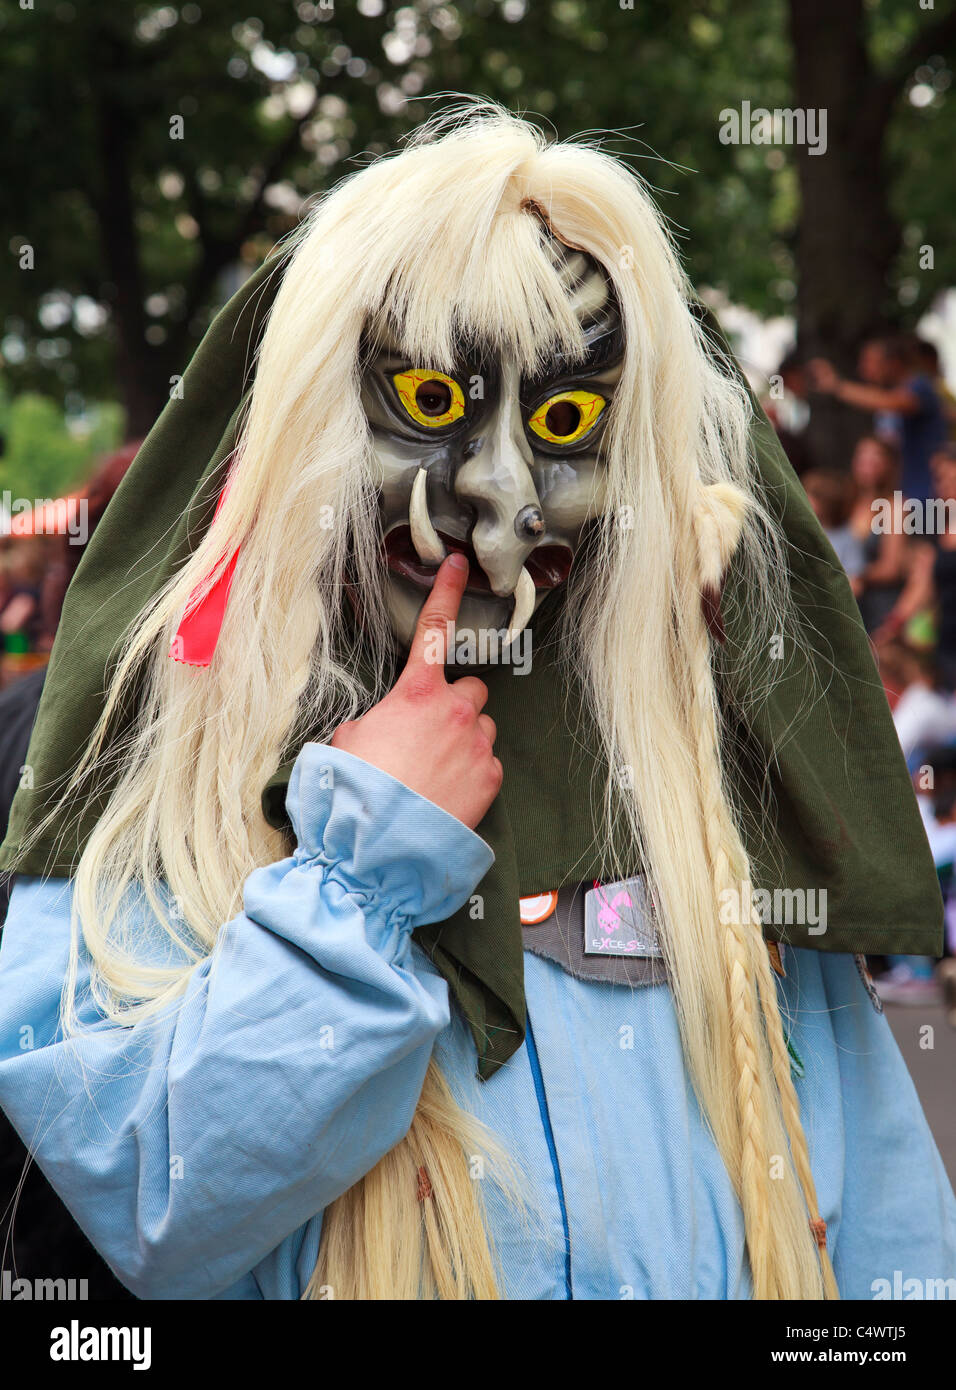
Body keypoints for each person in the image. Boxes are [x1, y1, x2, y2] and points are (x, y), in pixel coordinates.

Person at [0, 108, 952, 1302]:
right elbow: (151, 1197)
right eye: (432, 402)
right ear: (315, 418)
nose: (500, 498)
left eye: (563, 421)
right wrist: (364, 872)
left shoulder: (716, 772)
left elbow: (881, 1239)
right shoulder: (162, 776)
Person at [810, 335, 947, 511]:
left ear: (893, 363)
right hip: (899, 495)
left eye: (870, 362)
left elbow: (894, 402)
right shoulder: (889, 395)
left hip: (924, 497)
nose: (864, 369)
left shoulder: (919, 386)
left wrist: (836, 385)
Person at [847, 435, 908, 634]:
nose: (868, 464)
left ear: (889, 464)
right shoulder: (847, 502)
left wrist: (855, 575)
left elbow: (891, 567)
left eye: (876, 457)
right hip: (848, 604)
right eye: (863, 457)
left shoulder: (895, 506)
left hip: (878, 605)